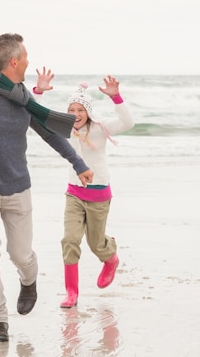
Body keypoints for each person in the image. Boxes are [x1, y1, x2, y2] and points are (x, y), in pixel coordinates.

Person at [0, 33, 94, 342]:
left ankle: (28, 279)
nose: (29, 62)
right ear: (14, 62)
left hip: (17, 187)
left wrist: (78, 163)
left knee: (20, 255)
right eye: (26, 58)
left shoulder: (24, 100)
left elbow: (50, 134)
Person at [35, 75, 134, 308]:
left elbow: (127, 122)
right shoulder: (64, 129)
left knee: (96, 243)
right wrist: (38, 92)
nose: (76, 113)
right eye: (71, 109)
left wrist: (115, 97)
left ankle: (110, 258)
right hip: (74, 194)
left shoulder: (101, 128)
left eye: (80, 109)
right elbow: (36, 118)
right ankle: (72, 293)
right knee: (70, 239)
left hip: (99, 194)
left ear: (88, 111)